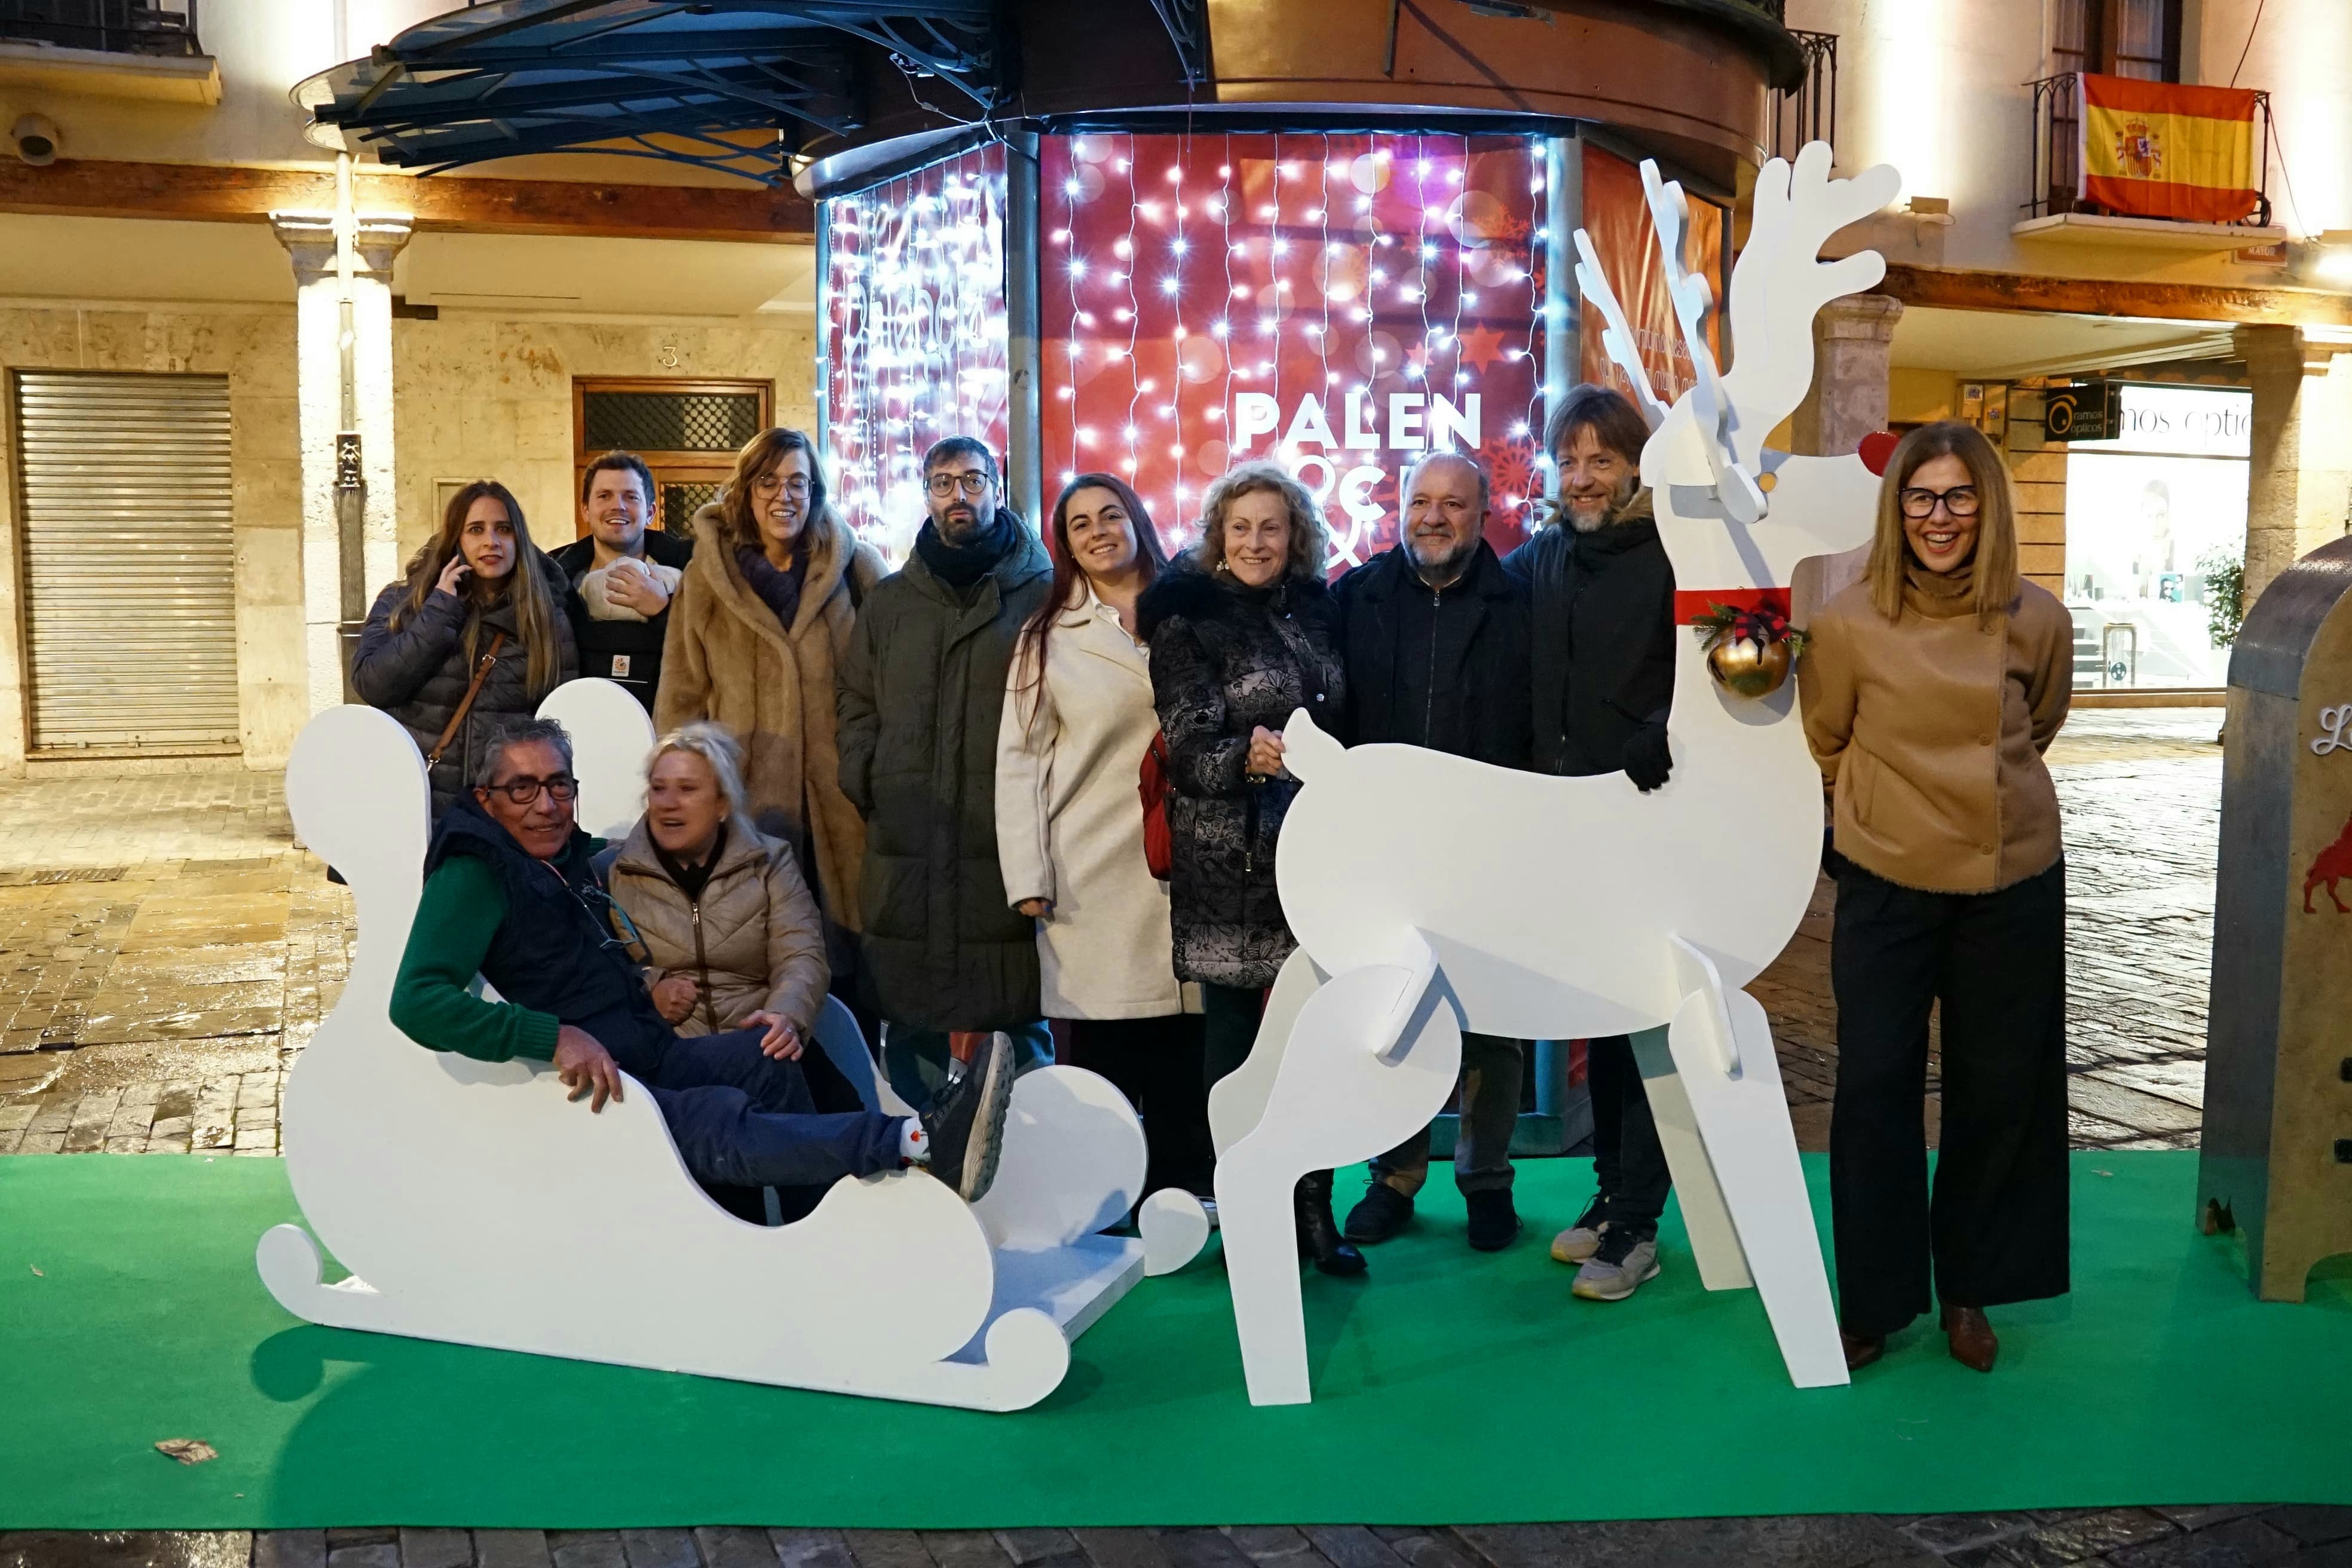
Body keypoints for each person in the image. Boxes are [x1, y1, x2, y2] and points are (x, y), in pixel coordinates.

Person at [387, 716, 1015, 1218]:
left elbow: (799, 952)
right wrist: (552, 1037)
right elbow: (416, 1000)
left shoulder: (571, 859)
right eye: (522, 788)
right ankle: (918, 1142)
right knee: (717, 1117)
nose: (546, 805)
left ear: (722, 802)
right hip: (598, 1086)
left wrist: (777, 1011)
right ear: (486, 799)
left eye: (559, 785)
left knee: (770, 1059)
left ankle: (816, 1229)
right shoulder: (477, 872)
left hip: (653, 1051)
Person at [1799, 420, 2072, 1375]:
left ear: (1987, 507)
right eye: (1920, 498)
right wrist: (1878, 816)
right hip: (1887, 881)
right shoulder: (1847, 623)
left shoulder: (2037, 618)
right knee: (1874, 1088)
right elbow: (1825, 741)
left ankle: (1969, 1287)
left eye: (1959, 496)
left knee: (1998, 1092)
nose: (1939, 517)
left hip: (2012, 880)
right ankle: (1874, 1302)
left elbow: (2041, 722)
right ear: (1897, 510)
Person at [1138, 459, 1356, 1275]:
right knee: (1235, 1045)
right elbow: (1188, 748)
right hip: (1229, 860)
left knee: (1317, 1036)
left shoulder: (1321, 608)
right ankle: (1249, 1210)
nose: (1257, 542)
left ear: (1295, 534)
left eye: (1272, 526)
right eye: (1241, 528)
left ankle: (1314, 1209)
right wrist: (1248, 755)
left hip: (1317, 854)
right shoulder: (1187, 618)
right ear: (1218, 538)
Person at [1332, 451, 1534, 1254]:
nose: (1434, 517)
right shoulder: (1355, 599)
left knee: (1493, 1024)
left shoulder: (1521, 606)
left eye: (1453, 503)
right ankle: (1394, 1177)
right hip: (1385, 850)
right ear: (1401, 509)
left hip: (1490, 848)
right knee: (1396, 1015)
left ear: (1482, 515)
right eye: (1421, 501)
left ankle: (1487, 1180)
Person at [1503, 384, 1677, 1303]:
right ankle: (1612, 1194)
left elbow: (1723, 667)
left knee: (1651, 1021)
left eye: (1601, 459)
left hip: (1648, 823)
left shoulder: (1673, 554)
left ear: (1635, 466)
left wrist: (1664, 728)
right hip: (1566, 825)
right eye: (1569, 460)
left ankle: (1641, 1223)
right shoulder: (1544, 558)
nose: (1581, 477)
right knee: (1605, 1024)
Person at [996, 473, 1212, 1202]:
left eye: (1110, 514)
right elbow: (1018, 760)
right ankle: (1108, 1203)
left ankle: (1188, 1197)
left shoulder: (1195, 609)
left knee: (1186, 1040)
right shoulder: (1047, 638)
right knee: (1109, 1050)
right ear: (1066, 545)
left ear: (1137, 521)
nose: (1098, 531)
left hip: (1194, 861)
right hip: (1093, 870)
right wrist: (1027, 877)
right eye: (1080, 523)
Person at [836, 437, 1054, 1110]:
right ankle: (921, 1154)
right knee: (912, 1018)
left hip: (1006, 842)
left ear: (997, 488)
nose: (958, 495)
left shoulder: (1043, 593)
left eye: (973, 480)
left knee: (1018, 1012)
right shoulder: (891, 602)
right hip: (908, 842)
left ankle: (1032, 1148)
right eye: (942, 482)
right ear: (926, 495)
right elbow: (855, 700)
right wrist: (869, 775)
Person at [657, 428, 885, 1013]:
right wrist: (686, 798)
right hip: (748, 805)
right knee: (761, 969)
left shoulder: (854, 569)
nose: (784, 496)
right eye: (768, 481)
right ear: (746, 490)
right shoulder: (708, 578)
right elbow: (682, 698)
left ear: (815, 492)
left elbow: (888, 682)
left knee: (852, 971)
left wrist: (872, 774)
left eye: (798, 483)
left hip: (842, 809)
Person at [606, 719, 836, 1063]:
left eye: (687, 789)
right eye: (658, 788)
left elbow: (801, 954)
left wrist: (784, 1015)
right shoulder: (615, 872)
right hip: (672, 1050)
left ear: (723, 804)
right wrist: (650, 988)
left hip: (761, 1039)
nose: (668, 803)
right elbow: (601, 968)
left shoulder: (770, 861)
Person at [354, 480, 578, 818]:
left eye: (504, 529)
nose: (491, 541)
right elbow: (374, 685)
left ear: (519, 538)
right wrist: (439, 612)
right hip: (420, 804)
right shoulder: (403, 601)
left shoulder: (546, 617)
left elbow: (559, 723)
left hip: (505, 812)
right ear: (456, 539)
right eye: (476, 529)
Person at [552, 450, 693, 713]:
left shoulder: (692, 571)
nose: (618, 506)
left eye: (631, 496)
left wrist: (665, 610)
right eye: (604, 496)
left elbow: (717, 652)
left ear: (650, 512)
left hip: (669, 727)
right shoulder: (551, 578)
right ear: (586, 510)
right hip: (578, 724)